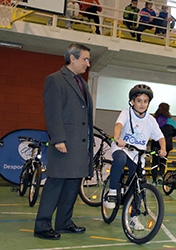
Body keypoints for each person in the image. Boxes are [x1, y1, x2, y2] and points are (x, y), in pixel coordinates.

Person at [34, 44, 93, 240]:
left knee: (72, 186)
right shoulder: (55, 80)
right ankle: (42, 225)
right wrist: (58, 138)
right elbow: (52, 112)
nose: (88, 63)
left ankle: (64, 222)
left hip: (79, 144)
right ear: (72, 58)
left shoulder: (81, 82)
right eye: (85, 59)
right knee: (55, 184)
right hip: (64, 142)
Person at [104, 84, 167, 228]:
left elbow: (160, 137)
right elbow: (118, 125)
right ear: (132, 102)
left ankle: (134, 218)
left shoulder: (151, 120)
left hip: (137, 155)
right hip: (123, 148)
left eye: (145, 101)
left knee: (140, 184)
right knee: (119, 159)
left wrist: (163, 149)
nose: (142, 104)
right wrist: (117, 137)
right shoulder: (126, 113)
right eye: (139, 100)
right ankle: (112, 191)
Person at [151, 103, 176, 185]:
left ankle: (154, 180)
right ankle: (160, 175)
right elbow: (175, 132)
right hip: (167, 144)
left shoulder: (154, 120)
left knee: (155, 161)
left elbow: (150, 131)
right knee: (163, 160)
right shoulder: (171, 120)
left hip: (155, 144)